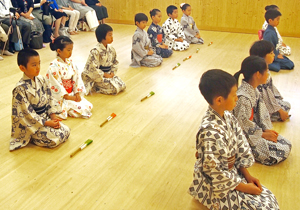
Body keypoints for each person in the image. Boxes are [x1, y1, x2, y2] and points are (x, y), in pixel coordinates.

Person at [188, 69, 280, 210]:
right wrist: (244, 187)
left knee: (270, 199)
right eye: (233, 95)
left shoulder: (228, 116)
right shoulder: (210, 132)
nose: (237, 98)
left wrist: (247, 176)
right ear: (219, 100)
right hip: (216, 186)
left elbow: (240, 146)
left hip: (232, 174)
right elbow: (215, 174)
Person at [233, 56, 292, 165]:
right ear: (258, 74)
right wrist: (262, 134)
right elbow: (242, 126)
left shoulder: (252, 89)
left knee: (286, 143)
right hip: (245, 138)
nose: (268, 74)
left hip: (255, 131)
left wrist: (266, 129)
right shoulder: (243, 98)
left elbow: (261, 112)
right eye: (266, 71)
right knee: (283, 150)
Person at [10, 49, 70, 151]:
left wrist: (53, 116)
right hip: (33, 124)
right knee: (54, 139)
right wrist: (46, 123)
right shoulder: (20, 89)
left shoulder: (41, 79)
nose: (38, 67)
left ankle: (47, 129)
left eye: (39, 63)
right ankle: (32, 137)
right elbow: (26, 114)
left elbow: (50, 98)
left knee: (66, 130)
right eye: (34, 65)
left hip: (46, 117)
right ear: (22, 68)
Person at [47, 36, 93, 119]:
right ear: (59, 51)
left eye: (71, 49)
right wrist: (69, 97)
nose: (71, 52)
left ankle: (72, 106)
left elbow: (76, 78)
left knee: (88, 106)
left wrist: (77, 93)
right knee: (82, 110)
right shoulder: (53, 67)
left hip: (71, 94)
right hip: (61, 98)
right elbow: (56, 86)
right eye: (68, 50)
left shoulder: (70, 63)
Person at [250, 40, 291, 122]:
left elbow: (270, 90)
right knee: (285, 107)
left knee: (285, 105)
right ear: (262, 57)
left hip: (266, 102)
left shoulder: (264, 70)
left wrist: (277, 100)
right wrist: (280, 110)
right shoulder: (259, 75)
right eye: (271, 53)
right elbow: (265, 96)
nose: (274, 55)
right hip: (258, 107)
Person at [82, 24, 126, 95]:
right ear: (102, 37)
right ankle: (96, 86)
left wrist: (112, 72)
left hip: (108, 75)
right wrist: (104, 75)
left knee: (122, 85)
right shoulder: (95, 51)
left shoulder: (111, 48)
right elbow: (92, 68)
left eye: (112, 35)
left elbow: (115, 61)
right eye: (110, 35)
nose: (112, 37)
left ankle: (103, 84)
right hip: (98, 77)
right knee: (114, 89)